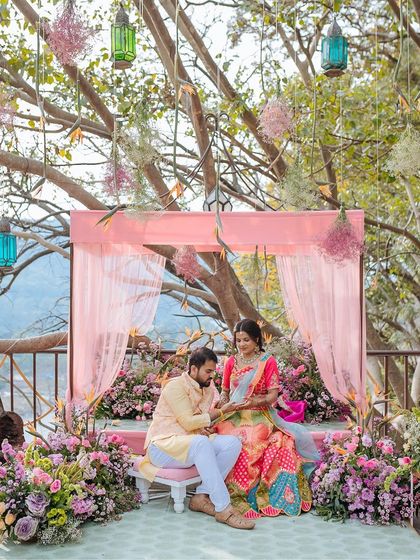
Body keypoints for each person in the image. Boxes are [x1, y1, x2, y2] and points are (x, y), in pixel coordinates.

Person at [138, 346, 255, 530]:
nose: (212, 376)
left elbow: (197, 423)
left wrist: (204, 428)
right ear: (193, 369)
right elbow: (187, 422)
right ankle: (224, 508)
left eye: (213, 372)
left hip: (188, 443)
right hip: (162, 447)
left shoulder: (207, 388)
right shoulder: (175, 386)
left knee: (232, 443)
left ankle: (201, 496)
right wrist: (218, 413)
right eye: (208, 371)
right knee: (201, 443)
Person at [215, 319, 320, 519]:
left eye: (246, 340)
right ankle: (221, 494)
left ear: (256, 339)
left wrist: (254, 402)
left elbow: (273, 396)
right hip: (233, 414)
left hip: (259, 413)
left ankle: (253, 495)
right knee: (222, 437)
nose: (242, 345)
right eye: (238, 341)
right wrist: (224, 404)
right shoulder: (231, 361)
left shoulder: (267, 361)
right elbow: (224, 391)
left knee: (252, 441)